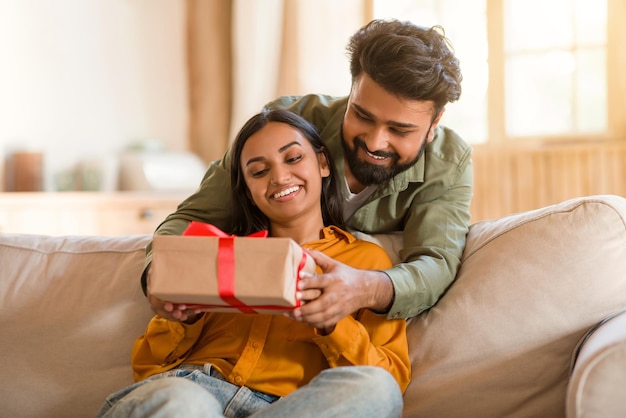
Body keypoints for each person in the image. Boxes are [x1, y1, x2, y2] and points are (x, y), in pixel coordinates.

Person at [143, 18, 472, 329]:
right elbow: (191, 218)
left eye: (399, 130)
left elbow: (436, 262)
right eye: (362, 115)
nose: (374, 141)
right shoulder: (287, 122)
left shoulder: (448, 163)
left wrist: (367, 288)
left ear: (434, 123)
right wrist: (159, 276)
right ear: (352, 92)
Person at [96, 109, 410, 418]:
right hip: (191, 390)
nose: (279, 177)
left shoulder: (365, 263)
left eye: (293, 158)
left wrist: (333, 322)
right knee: (188, 403)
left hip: (288, 407)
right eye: (259, 171)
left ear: (323, 163)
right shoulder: (218, 253)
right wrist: (184, 320)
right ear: (247, 190)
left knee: (377, 388)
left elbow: (391, 379)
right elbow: (148, 367)